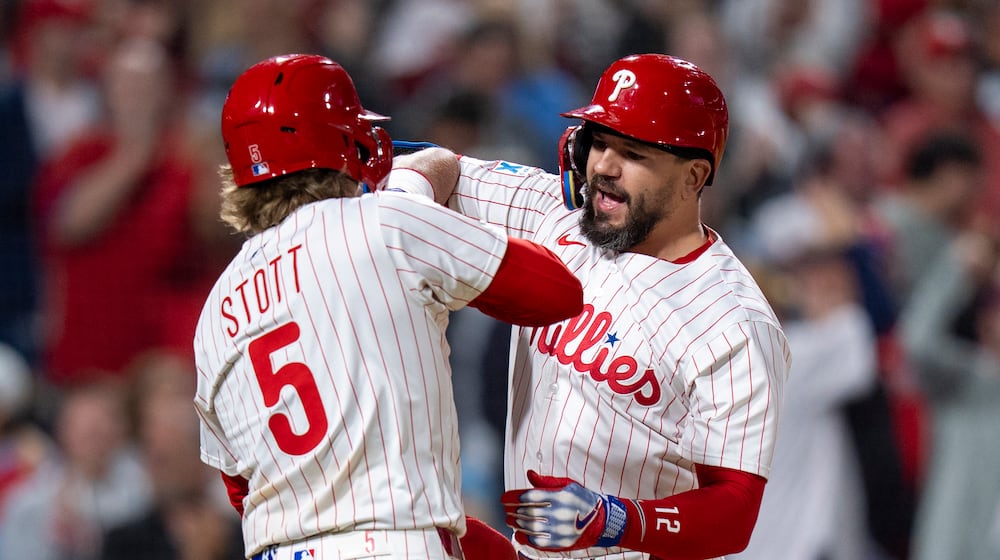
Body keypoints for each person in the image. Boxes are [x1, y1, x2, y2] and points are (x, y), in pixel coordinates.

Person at [192, 54, 584, 560]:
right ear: (341, 140)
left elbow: (242, 491)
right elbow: (556, 292)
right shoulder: (386, 221)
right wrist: (414, 190)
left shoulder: (212, 314)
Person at [405, 53, 791, 560]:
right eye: (599, 142)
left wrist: (614, 519)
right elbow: (438, 164)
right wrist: (412, 189)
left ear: (694, 177)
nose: (604, 167)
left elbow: (735, 511)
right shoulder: (556, 214)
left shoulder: (734, 322)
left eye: (632, 153)